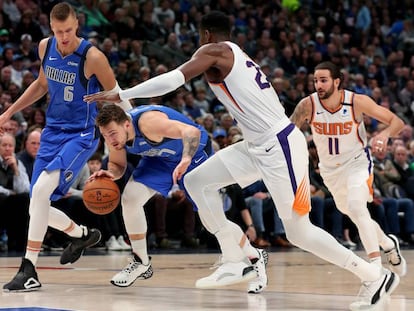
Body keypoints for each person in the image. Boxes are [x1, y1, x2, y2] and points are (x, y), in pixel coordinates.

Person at [84, 11, 400, 308]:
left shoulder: (215, 50)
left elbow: (173, 80)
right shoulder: (230, 54)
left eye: (198, 38)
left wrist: (123, 93)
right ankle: (237, 260)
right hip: (256, 145)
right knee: (196, 181)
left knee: (298, 232)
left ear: (205, 34)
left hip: (279, 144)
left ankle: (373, 275)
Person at [1, 2, 131, 292]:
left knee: (42, 191)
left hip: (81, 134)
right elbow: (41, 84)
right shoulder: (45, 47)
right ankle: (82, 234)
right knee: (38, 201)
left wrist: (133, 129)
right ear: (51, 28)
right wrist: (8, 112)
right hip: (52, 132)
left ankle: (29, 268)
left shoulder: (92, 57)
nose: (64, 37)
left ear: (77, 26)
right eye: (59, 31)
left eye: (69, 31)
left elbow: (117, 95)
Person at [90, 103, 267, 293]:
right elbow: (117, 164)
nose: (109, 139)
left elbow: (191, 131)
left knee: (212, 220)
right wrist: (110, 174)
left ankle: (253, 256)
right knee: (130, 199)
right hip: (160, 159)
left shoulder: (149, 123)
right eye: (105, 135)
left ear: (126, 124)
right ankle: (141, 261)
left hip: (193, 153)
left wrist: (186, 158)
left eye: (112, 133)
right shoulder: (114, 135)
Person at [290, 61, 407, 276]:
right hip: (329, 171)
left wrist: (383, 134)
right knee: (357, 215)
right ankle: (389, 244)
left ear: (336, 81)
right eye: (315, 80)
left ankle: (376, 270)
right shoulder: (307, 105)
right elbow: (288, 134)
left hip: (357, 163)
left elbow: (397, 122)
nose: (318, 85)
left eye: (323, 80)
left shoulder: (356, 102)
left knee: (356, 206)